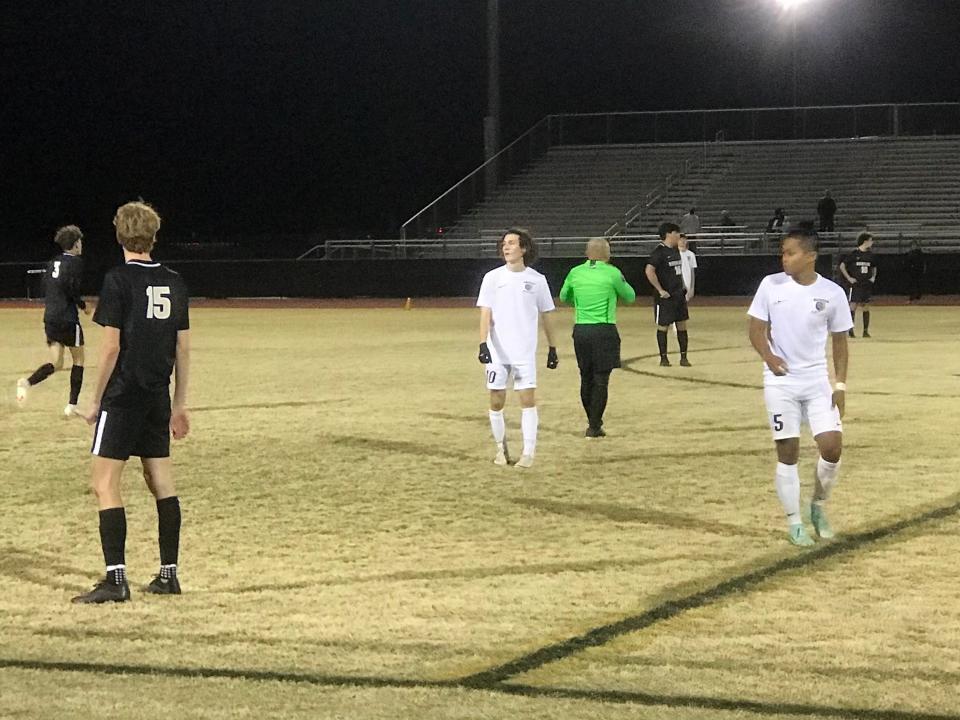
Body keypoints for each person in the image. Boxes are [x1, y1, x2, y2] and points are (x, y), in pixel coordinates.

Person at [72, 201, 191, 604]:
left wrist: (94, 400)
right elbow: (183, 347)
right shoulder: (174, 281)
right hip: (158, 394)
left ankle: (115, 579)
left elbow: (110, 348)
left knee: (104, 483)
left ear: (120, 234)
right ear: (153, 235)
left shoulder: (118, 279)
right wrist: (179, 404)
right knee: (161, 481)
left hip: (123, 396)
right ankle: (168, 574)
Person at [747, 223, 852, 547]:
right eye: (782, 253)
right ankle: (795, 522)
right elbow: (755, 329)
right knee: (788, 452)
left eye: (791, 253)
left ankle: (818, 506)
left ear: (810, 256)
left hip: (816, 380)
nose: (784, 259)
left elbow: (840, 343)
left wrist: (841, 385)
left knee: (832, 447)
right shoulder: (770, 286)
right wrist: (768, 357)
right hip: (781, 383)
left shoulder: (832, 293)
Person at [477, 227, 558, 468]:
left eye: (512, 243)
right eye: (504, 243)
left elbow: (546, 315)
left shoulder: (536, 280)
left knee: (527, 399)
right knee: (496, 400)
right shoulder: (492, 278)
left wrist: (553, 347)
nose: (506, 247)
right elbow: (485, 314)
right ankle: (501, 449)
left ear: (524, 248)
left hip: (524, 351)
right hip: (497, 351)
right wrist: (483, 343)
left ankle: (528, 453)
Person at [558, 238, 636, 438]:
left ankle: (591, 420)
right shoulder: (613, 273)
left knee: (586, 376)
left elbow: (564, 296)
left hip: (581, 329)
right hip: (604, 329)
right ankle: (594, 424)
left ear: (587, 252)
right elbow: (630, 297)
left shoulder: (575, 272)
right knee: (601, 379)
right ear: (606, 254)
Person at [16, 225, 92, 415]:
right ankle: (71, 406)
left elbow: (47, 287)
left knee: (57, 363)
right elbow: (72, 289)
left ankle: (27, 382)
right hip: (67, 318)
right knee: (79, 360)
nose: (81, 245)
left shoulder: (53, 263)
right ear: (75, 245)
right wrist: (83, 306)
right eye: (80, 242)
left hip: (50, 318)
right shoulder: (76, 263)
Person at [645, 222, 691, 367]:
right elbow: (649, 270)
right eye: (676, 233)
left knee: (682, 325)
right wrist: (660, 290)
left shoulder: (675, 250)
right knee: (663, 326)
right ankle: (663, 358)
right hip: (666, 298)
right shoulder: (659, 252)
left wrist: (683, 285)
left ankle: (684, 357)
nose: (678, 236)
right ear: (669, 234)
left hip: (678, 295)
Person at [838, 232, 877, 338]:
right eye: (870, 240)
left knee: (865, 306)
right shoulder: (854, 254)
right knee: (853, 305)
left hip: (866, 284)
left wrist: (873, 277)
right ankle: (850, 330)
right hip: (856, 284)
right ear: (865, 241)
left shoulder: (870, 255)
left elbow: (874, 267)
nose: (872, 243)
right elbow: (842, 266)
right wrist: (849, 278)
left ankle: (865, 331)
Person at [904, 239, 925, 303]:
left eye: (915, 245)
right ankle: (911, 298)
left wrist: (922, 269)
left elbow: (922, 262)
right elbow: (907, 263)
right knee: (912, 285)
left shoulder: (919, 253)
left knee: (918, 285)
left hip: (918, 271)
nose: (914, 246)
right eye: (912, 245)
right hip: (912, 272)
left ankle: (918, 298)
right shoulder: (910, 253)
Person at [678, 234, 697, 303]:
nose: (683, 242)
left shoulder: (691, 254)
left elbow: (692, 271)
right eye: (681, 240)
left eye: (684, 240)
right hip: (678, 284)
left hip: (688, 282)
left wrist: (692, 287)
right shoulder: (675, 254)